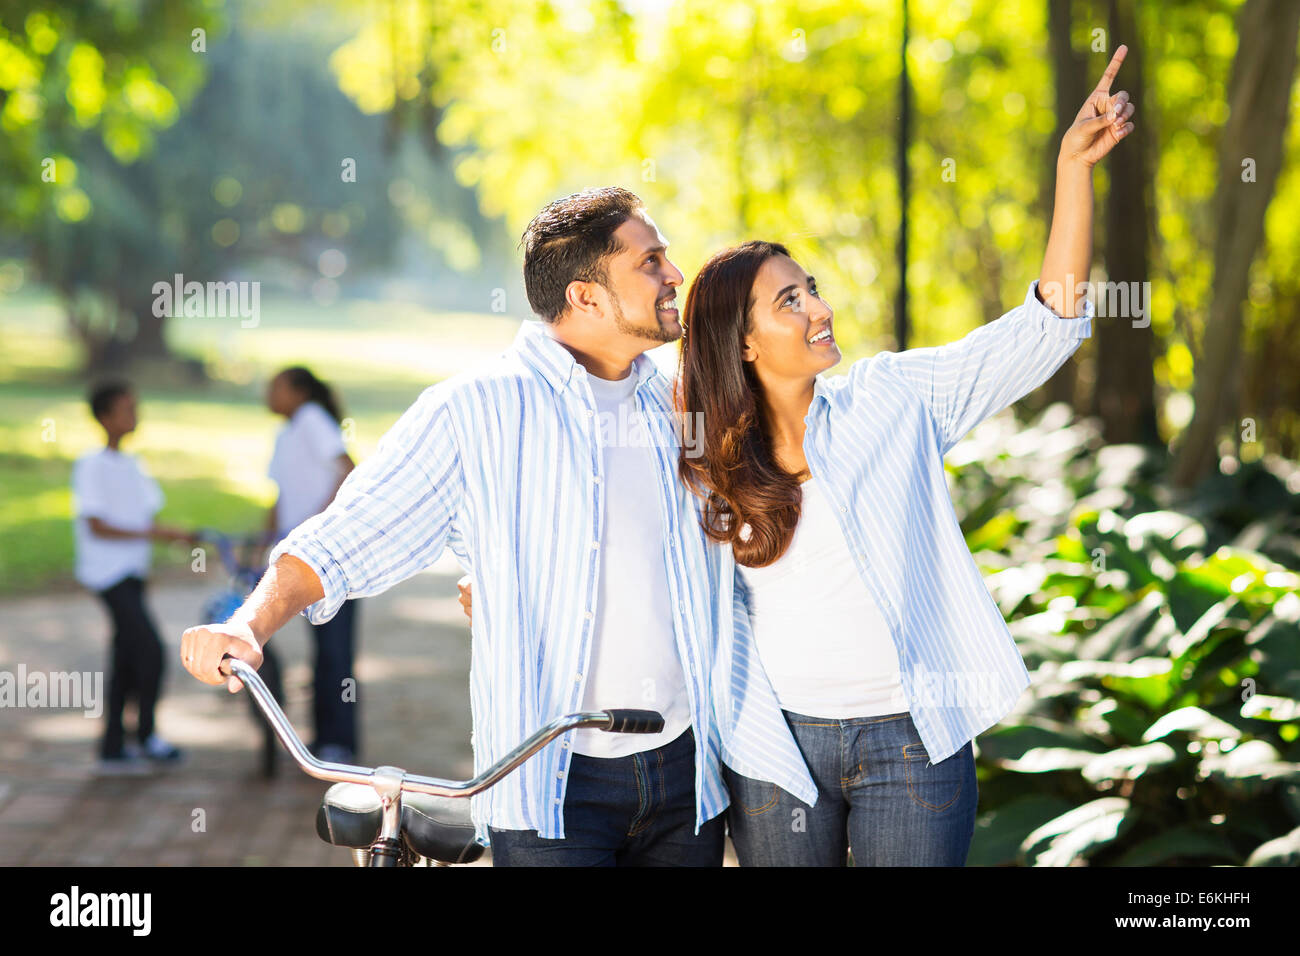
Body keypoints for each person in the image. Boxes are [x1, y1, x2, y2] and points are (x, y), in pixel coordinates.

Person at [181, 187, 817, 866]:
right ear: (587, 297)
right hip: (546, 785)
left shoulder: (681, 404)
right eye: (651, 261)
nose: (674, 275)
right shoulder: (474, 410)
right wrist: (248, 625)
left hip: (687, 775)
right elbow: (346, 537)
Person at [671, 48, 1135, 865]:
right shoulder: (696, 454)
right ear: (740, 343)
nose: (820, 308)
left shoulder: (893, 398)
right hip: (778, 753)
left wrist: (1072, 171)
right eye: (791, 300)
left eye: (811, 287)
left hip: (912, 746)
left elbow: (1047, 328)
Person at [73, 381, 197, 774]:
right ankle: (145, 736)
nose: (134, 415)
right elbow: (97, 525)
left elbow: (146, 517)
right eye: (126, 408)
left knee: (127, 655)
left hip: (131, 574)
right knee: (151, 651)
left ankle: (114, 746)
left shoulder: (132, 465)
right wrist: (157, 534)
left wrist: (171, 535)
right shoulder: (91, 465)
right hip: (108, 575)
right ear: (105, 416)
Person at [263, 366, 357, 764]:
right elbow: (283, 497)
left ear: (298, 391)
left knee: (335, 652)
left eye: (275, 387)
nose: (268, 395)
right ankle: (322, 741)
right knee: (321, 651)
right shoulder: (288, 432)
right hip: (303, 559)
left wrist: (320, 524)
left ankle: (341, 742)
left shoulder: (312, 420)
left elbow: (348, 470)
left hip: (333, 555)